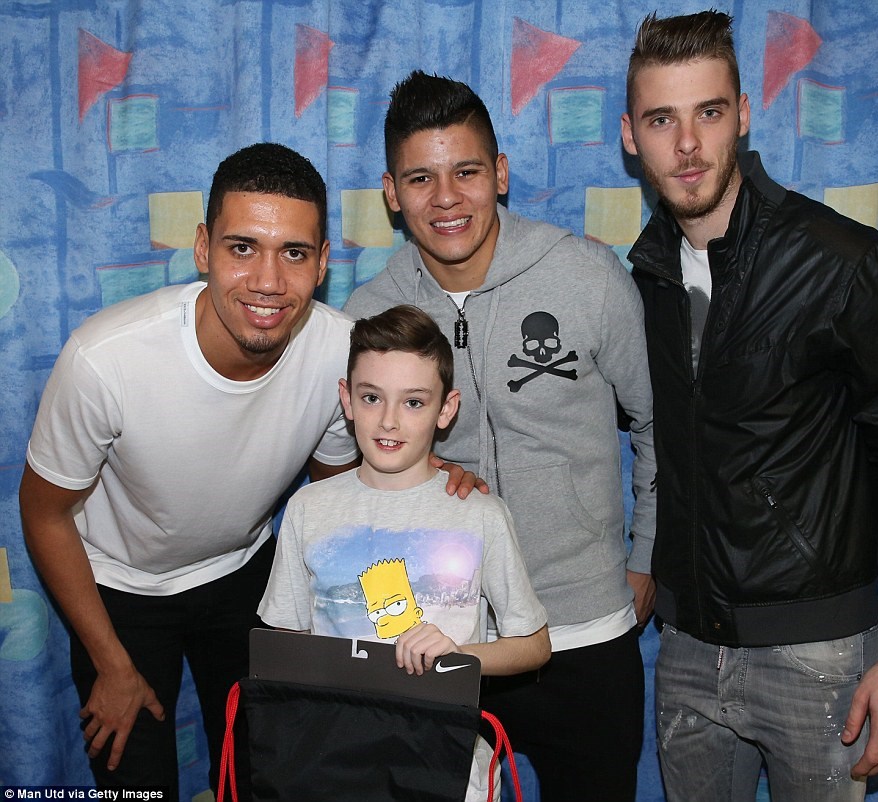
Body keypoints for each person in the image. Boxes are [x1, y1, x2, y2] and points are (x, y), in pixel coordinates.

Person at [19, 143, 475, 798]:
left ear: (322, 262)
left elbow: (342, 494)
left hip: (243, 576)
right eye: (242, 248)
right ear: (203, 248)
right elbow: (43, 512)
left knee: (265, 773)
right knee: (132, 781)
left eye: (294, 253)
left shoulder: (342, 353)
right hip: (117, 590)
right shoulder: (106, 359)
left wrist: (431, 484)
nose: (268, 280)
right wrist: (112, 665)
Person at [621, 11, 878, 801]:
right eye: (662, 120)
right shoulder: (644, 279)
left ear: (742, 114)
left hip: (819, 654)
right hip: (685, 649)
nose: (688, 145)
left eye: (708, 112)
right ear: (632, 137)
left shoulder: (842, 262)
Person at [344, 70, 657, 802]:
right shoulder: (370, 313)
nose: (446, 198)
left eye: (467, 172)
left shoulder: (586, 276)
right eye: (420, 178)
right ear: (391, 193)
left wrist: (648, 558)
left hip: (586, 630)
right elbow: (357, 471)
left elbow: (656, 425)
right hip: (444, 641)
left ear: (501, 174)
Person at [258, 304, 551, 801]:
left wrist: (458, 656)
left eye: (414, 402)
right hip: (335, 764)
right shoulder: (309, 508)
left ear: (446, 409)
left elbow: (534, 645)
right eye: (372, 397)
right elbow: (285, 645)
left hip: (451, 767)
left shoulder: (481, 514)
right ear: (347, 400)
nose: (389, 421)